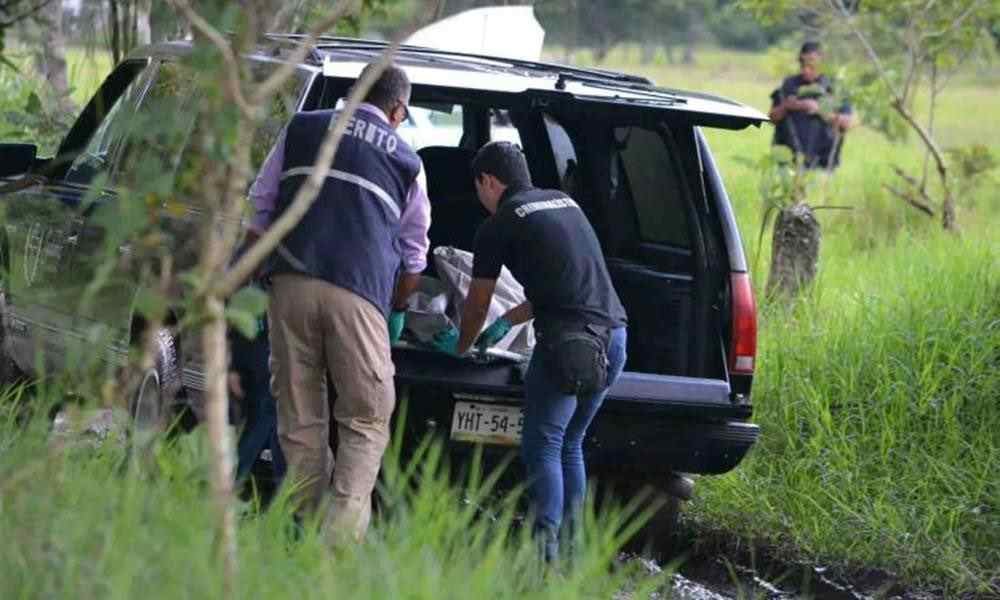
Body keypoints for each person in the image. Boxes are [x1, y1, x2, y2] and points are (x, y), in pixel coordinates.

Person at [249, 62, 431, 542]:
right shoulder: (408, 161)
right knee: (367, 415)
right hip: (359, 294)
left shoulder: (302, 127)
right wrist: (391, 310)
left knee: (300, 414)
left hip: (288, 282)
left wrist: (258, 280)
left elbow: (260, 208)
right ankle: (339, 542)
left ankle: (304, 528)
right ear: (398, 110)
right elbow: (415, 258)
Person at [431, 142, 628, 561]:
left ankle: (544, 556)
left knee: (543, 446)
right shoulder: (564, 202)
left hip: (569, 347)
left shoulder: (498, 224)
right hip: (615, 338)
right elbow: (562, 282)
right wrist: (510, 321)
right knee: (570, 442)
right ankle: (572, 554)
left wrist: (463, 347)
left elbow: (477, 303)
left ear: (487, 180)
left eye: (478, 187)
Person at [769, 41, 856, 170]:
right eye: (802, 64)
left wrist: (820, 110)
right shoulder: (789, 84)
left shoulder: (835, 87)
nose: (806, 69)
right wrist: (788, 106)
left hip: (823, 163)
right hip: (788, 162)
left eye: (811, 64)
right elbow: (771, 118)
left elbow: (847, 123)